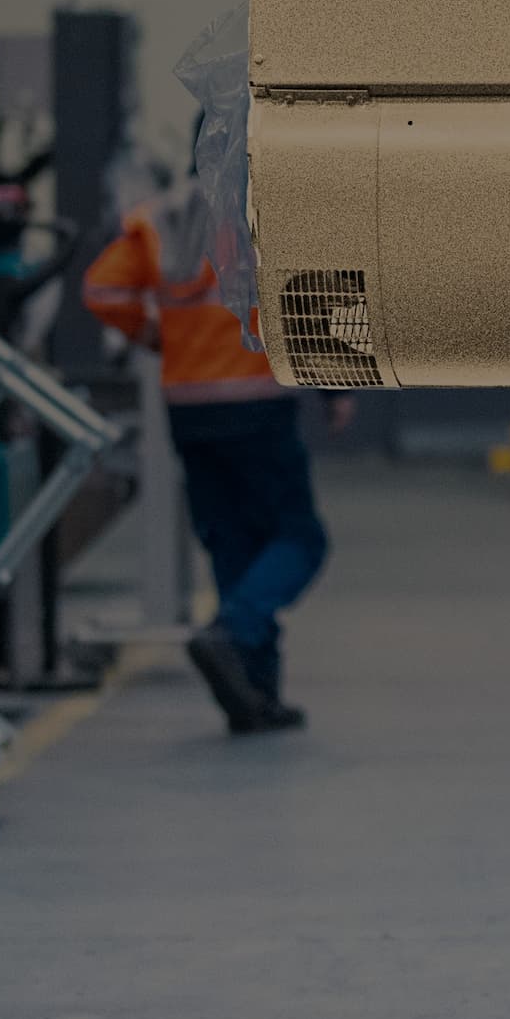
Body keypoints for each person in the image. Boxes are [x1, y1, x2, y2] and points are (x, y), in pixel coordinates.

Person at [82, 167, 332, 733]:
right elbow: (312, 292)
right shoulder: (274, 202)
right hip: (256, 399)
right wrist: (336, 386)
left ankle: (255, 695)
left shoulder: (161, 215)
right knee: (298, 538)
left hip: (189, 405)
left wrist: (155, 336)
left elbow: (102, 289)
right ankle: (234, 633)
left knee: (231, 543)